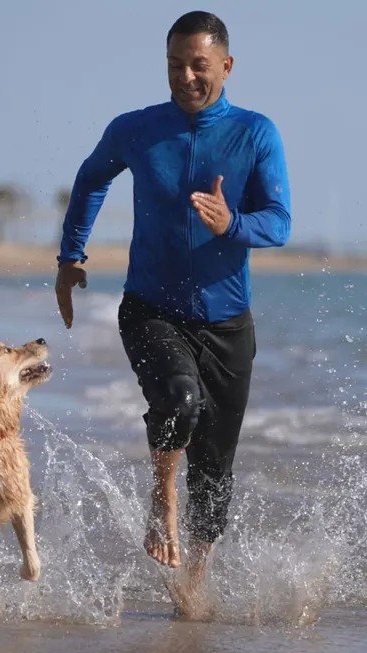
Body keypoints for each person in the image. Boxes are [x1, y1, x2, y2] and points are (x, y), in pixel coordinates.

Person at [54, 10, 291, 613]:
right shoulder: (137, 129)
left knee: (215, 467)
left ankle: (193, 583)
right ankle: (162, 499)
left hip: (228, 322)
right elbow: (91, 179)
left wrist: (232, 222)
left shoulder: (256, 133)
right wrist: (70, 256)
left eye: (199, 66)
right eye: (175, 65)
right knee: (179, 400)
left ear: (227, 67)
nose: (186, 77)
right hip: (151, 309)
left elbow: (280, 221)